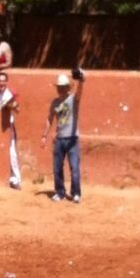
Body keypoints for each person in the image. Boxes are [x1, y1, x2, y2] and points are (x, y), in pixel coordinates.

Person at [41, 70, 85, 203]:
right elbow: (49, 119)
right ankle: (60, 192)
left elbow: (80, 91)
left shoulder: (73, 99)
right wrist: (44, 135)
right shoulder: (55, 102)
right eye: (59, 87)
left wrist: (82, 80)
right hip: (59, 139)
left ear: (68, 87)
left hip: (72, 138)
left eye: (63, 87)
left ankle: (75, 193)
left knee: (74, 167)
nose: (60, 89)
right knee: (57, 167)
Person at [0, 71, 21, 190]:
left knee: (12, 153)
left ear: (6, 82)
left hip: (8, 125)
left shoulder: (11, 93)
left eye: (3, 80)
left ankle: (15, 179)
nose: (1, 83)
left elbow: (18, 109)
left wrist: (12, 105)